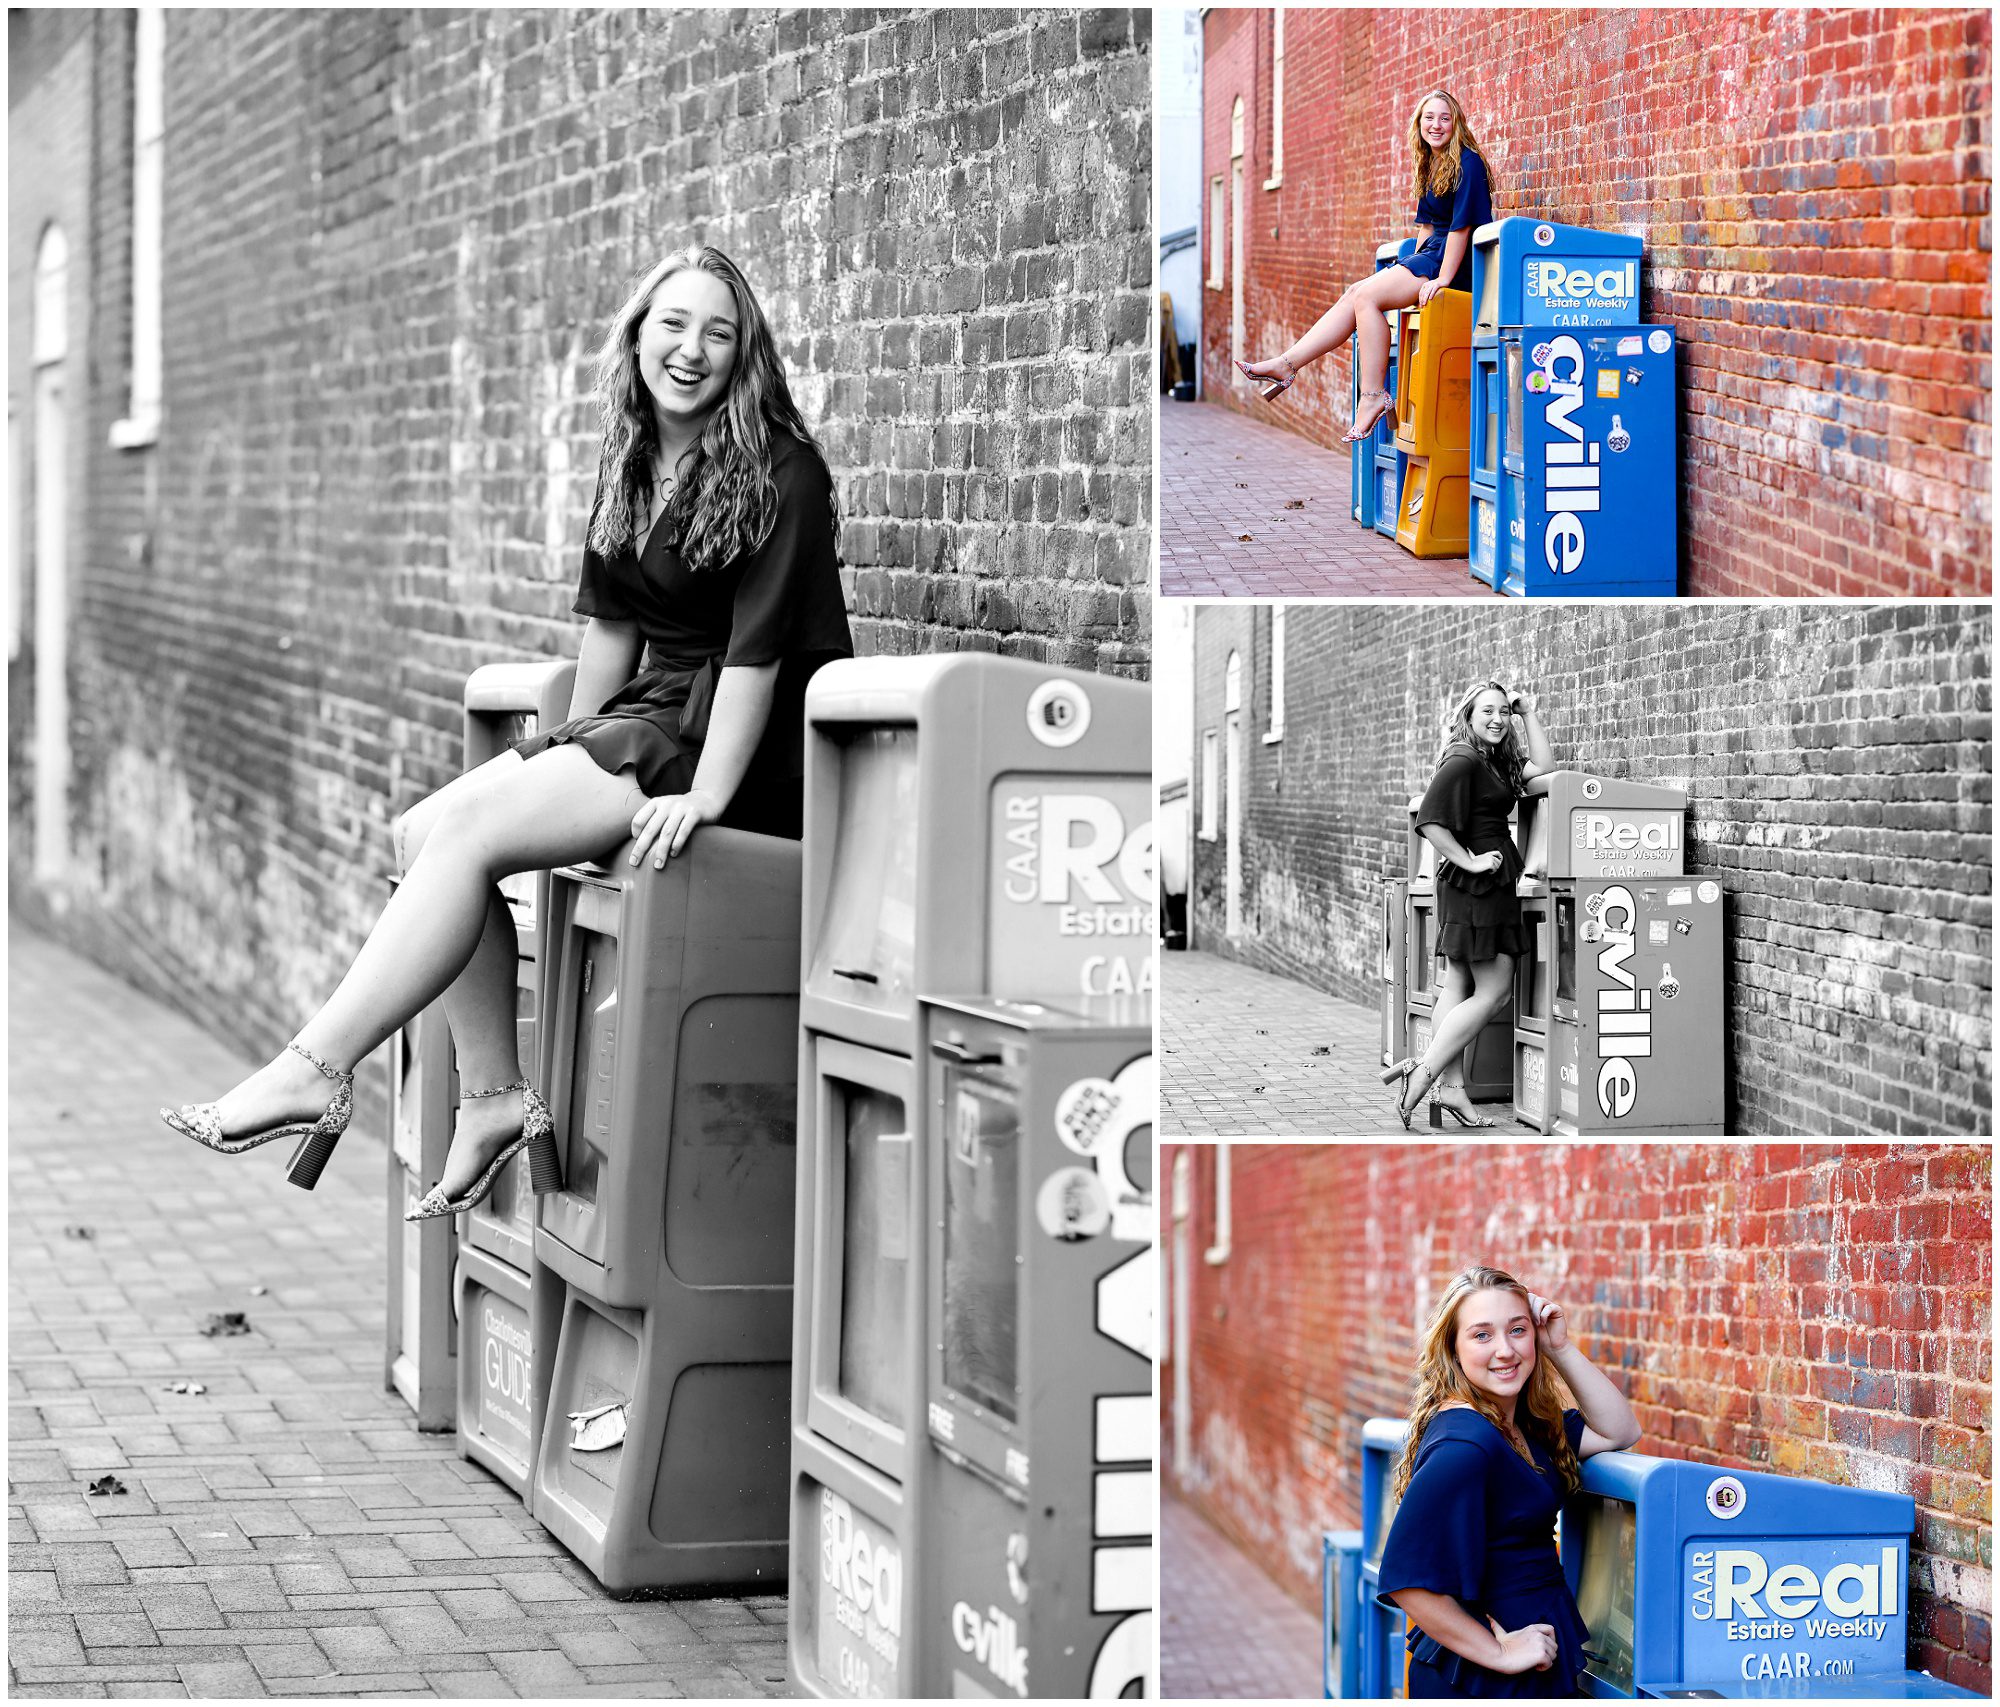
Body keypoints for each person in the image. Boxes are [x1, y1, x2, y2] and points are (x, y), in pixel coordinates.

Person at [161, 245, 852, 1217]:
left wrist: (704, 797)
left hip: (741, 739)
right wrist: (555, 759)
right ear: (636, 334)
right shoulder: (634, 457)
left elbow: (758, 659)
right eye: (672, 324)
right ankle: (491, 1098)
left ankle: (312, 1067)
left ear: (746, 356)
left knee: (475, 833)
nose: (691, 350)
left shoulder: (783, 470)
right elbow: (610, 627)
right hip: (650, 716)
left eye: (719, 333)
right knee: (418, 836)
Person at [1379, 1266, 1640, 1697]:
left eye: (1517, 1330)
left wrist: (1559, 1347)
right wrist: (1500, 1653)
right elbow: (1407, 1581)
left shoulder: (1523, 1426)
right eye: (1482, 1335)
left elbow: (1620, 1431)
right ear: (1453, 1349)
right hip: (1486, 1675)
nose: (1505, 1350)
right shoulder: (1467, 1443)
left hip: (1529, 1657)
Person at [1235, 89, 1493, 441]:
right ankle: (1287, 364)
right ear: (1419, 124)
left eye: (1444, 118)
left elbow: (1462, 228)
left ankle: (1373, 396)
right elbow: (1427, 227)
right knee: (1356, 292)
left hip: (1456, 263)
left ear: (1456, 123)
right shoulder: (1430, 162)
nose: (1436, 125)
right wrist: (1401, 274)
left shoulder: (1468, 161)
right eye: (1429, 118)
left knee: (1367, 298)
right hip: (1431, 254)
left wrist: (1442, 279)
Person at [1382, 680, 1551, 1129]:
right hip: (1480, 883)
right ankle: (1425, 1071)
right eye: (1486, 713)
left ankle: (1452, 1090)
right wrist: (1471, 861)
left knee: (1456, 985)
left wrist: (1527, 711)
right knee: (1494, 992)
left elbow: (1544, 766)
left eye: (1503, 712)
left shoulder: (1492, 760)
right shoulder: (1464, 757)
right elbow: (1432, 820)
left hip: (1473, 884)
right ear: (1468, 718)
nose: (1497, 719)